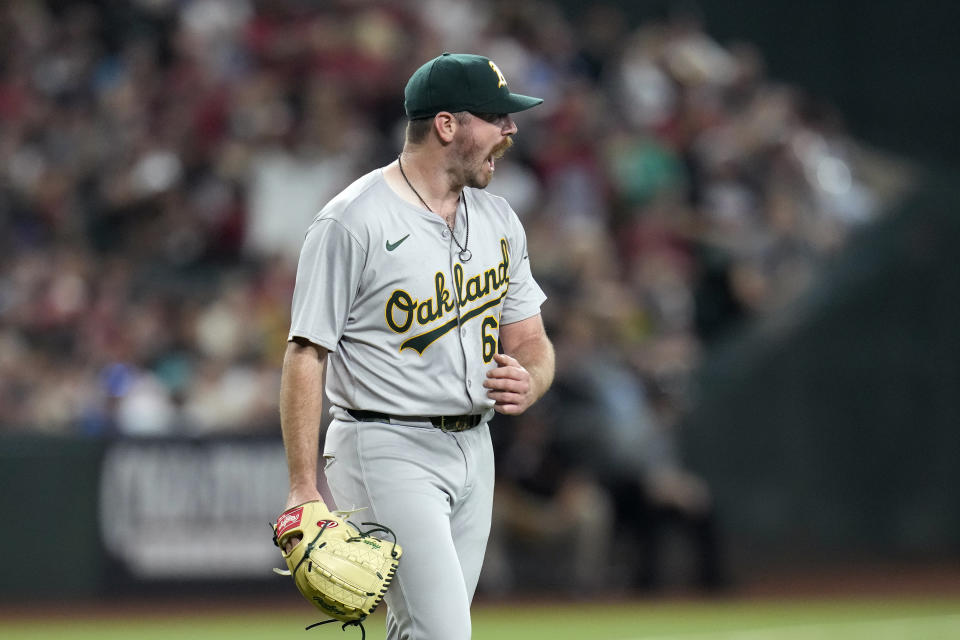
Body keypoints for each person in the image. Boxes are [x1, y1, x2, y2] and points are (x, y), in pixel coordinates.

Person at [278, 52, 555, 640]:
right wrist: (304, 489)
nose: (510, 130)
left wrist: (532, 378)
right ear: (447, 125)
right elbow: (306, 354)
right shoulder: (352, 221)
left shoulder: (500, 219)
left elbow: (532, 341)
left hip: (476, 448)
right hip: (387, 445)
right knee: (444, 633)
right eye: (495, 117)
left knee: (419, 632)